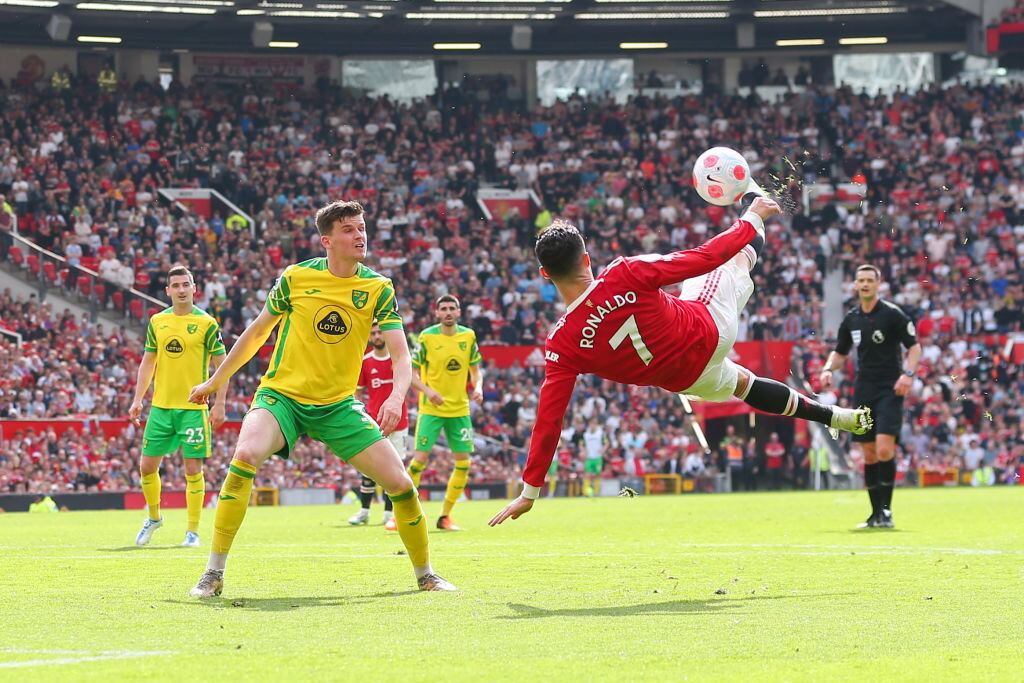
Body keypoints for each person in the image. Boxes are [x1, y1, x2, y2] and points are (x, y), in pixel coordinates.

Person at [490, 196, 871, 526]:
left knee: (743, 385)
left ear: (544, 274)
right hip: (708, 331)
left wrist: (530, 490)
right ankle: (756, 199)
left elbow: (549, 419)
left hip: (687, 381)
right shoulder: (624, 272)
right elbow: (704, 256)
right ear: (587, 257)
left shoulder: (560, 344)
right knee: (732, 258)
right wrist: (750, 218)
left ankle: (836, 417)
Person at [186, 200, 454, 597]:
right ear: (327, 240)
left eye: (362, 227)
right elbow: (258, 332)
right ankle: (213, 572)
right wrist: (214, 381)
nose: (359, 235)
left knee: (401, 484)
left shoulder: (378, 287)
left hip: (338, 406)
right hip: (282, 397)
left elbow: (401, 354)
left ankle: (426, 575)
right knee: (244, 456)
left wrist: (398, 397)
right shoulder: (295, 277)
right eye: (349, 229)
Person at [129, 265, 227, 547]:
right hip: (160, 408)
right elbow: (148, 362)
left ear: (194, 288)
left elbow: (223, 367)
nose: (182, 289)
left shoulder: (207, 323)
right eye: (176, 285)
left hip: (193, 408)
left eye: (186, 284)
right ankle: (154, 517)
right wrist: (138, 399)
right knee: (147, 467)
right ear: (168, 290)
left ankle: (192, 531)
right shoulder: (158, 322)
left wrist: (220, 404)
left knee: (193, 469)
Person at [819, 264, 921, 529]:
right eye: (860, 280)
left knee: (885, 448)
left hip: (890, 388)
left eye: (869, 280)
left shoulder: (893, 315)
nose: (864, 284)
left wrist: (908, 375)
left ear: (878, 284)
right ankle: (874, 514)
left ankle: (886, 511)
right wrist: (829, 368)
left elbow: (914, 347)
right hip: (863, 388)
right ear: (855, 285)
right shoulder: (852, 318)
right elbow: (840, 353)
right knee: (868, 453)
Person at [405, 295, 483, 531]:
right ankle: (402, 514)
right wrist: (428, 391)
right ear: (436, 313)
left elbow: (476, 371)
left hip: (459, 409)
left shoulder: (468, 336)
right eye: (444, 309)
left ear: (459, 312)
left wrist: (477, 387)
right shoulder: (427, 337)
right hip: (431, 409)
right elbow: (410, 373)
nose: (448, 312)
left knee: (463, 463)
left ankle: (445, 516)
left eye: (452, 308)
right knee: (419, 461)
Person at [348, 322, 408, 532]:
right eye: (372, 332)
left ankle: (389, 514)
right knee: (370, 468)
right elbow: (358, 391)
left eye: (379, 332)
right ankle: (364, 512)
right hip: (373, 421)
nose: (376, 335)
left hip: (399, 422)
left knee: (395, 468)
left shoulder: (398, 359)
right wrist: (359, 411)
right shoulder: (365, 361)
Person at [581, 418, 605, 496]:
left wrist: (603, 450)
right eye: (591, 424)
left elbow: (606, 443)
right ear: (589, 425)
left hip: (598, 457)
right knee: (587, 475)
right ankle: (586, 493)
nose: (593, 426)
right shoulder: (585, 435)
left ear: (597, 425)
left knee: (597, 475)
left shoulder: (600, 434)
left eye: (595, 424)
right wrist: (584, 451)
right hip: (589, 458)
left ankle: (596, 493)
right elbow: (581, 444)